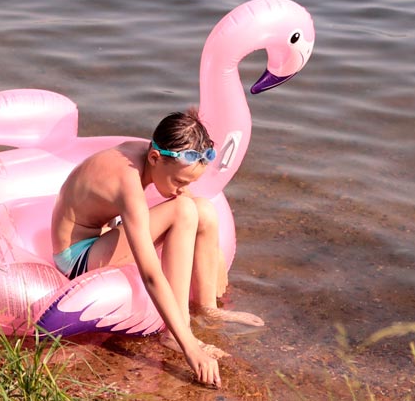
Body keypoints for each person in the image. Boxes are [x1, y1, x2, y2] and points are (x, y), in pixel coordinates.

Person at [50, 109, 264, 388]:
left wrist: (214, 251)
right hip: (77, 256)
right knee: (183, 211)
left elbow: (189, 200)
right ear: (154, 158)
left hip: (101, 235)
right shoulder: (126, 182)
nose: (180, 189)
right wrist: (191, 349)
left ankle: (207, 308)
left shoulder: (155, 154)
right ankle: (176, 334)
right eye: (179, 181)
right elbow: (151, 274)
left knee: (203, 209)